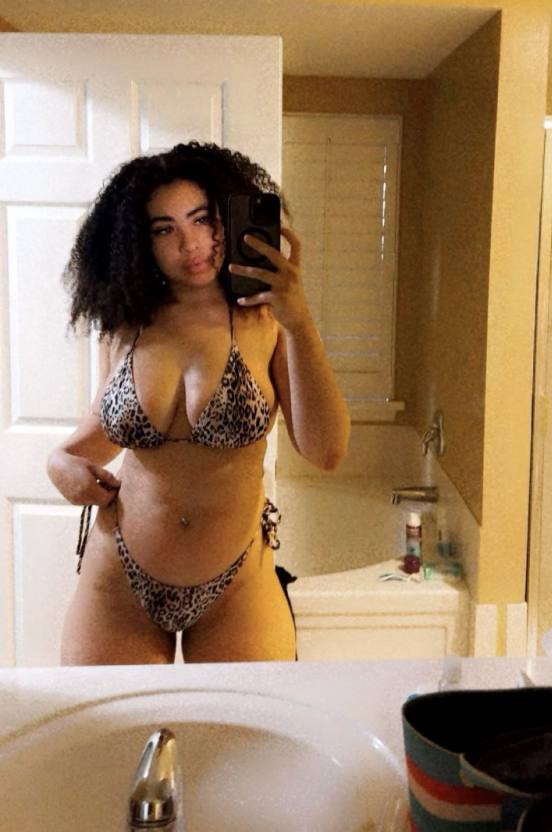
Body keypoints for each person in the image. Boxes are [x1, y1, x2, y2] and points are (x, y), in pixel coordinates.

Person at [46, 141, 350, 665]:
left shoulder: (268, 319)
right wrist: (60, 464)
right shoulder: (125, 324)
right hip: (119, 576)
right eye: (164, 229)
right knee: (106, 718)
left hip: (239, 583)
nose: (191, 244)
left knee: (244, 721)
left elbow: (326, 451)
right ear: (138, 241)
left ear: (227, 219)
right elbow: (95, 437)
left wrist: (299, 321)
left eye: (202, 219)